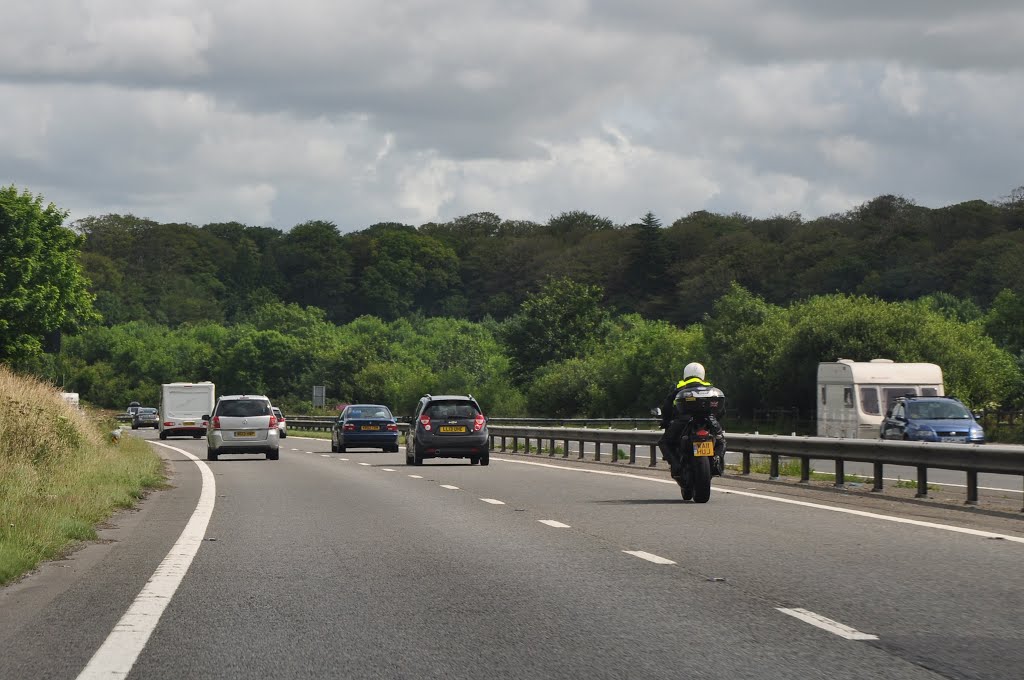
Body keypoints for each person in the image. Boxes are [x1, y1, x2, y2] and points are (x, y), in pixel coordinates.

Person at [657, 362, 726, 477]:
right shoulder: (709, 387)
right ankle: (717, 459)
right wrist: (715, 420)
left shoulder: (679, 387)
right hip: (709, 420)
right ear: (702, 374)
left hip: (684, 421)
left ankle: (676, 465)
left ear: (686, 374)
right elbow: (721, 409)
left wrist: (665, 421)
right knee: (721, 441)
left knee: (664, 442)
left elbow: (667, 407)